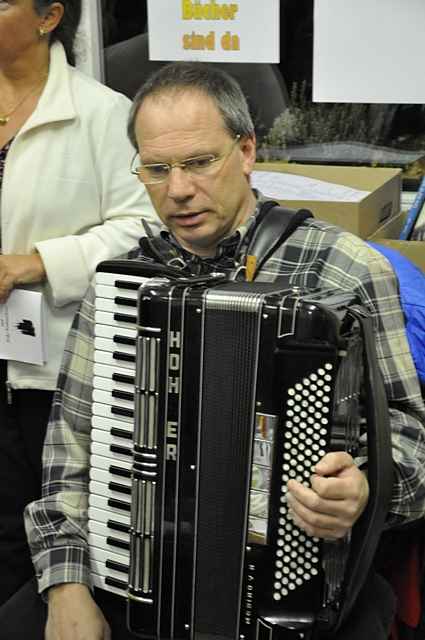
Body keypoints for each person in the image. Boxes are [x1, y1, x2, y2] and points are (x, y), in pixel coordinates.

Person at [2, 61, 425, 640]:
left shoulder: (348, 270)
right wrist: (67, 586)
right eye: (156, 169)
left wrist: (367, 487)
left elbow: (413, 448)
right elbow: (68, 458)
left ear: (247, 151)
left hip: (300, 582)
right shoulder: (120, 288)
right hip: (134, 570)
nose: (177, 190)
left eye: (199, 162)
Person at [0, 0, 159, 606]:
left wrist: (33, 262)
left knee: (40, 532)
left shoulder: (102, 112)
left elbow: (143, 229)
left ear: (48, 18)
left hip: (55, 370)